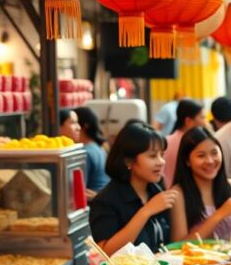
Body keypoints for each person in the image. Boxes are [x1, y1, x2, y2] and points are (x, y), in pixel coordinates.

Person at [90, 120, 180, 255]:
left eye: (162, 155)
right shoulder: (106, 200)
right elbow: (106, 252)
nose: (161, 162)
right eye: (152, 156)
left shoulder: (156, 191)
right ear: (129, 161)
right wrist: (146, 211)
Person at [171, 127, 231, 241]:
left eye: (214, 153)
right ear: (187, 161)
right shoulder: (178, 194)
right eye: (201, 155)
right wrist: (219, 214)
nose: (210, 161)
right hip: (195, 259)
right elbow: (178, 245)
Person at [163, 99, 208, 188]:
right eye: (202, 117)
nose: (205, 122)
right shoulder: (196, 144)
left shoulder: (166, 141)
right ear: (188, 121)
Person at [74, 106, 109, 192]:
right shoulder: (99, 147)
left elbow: (79, 189)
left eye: (75, 123)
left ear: (84, 126)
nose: (75, 127)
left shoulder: (86, 152)